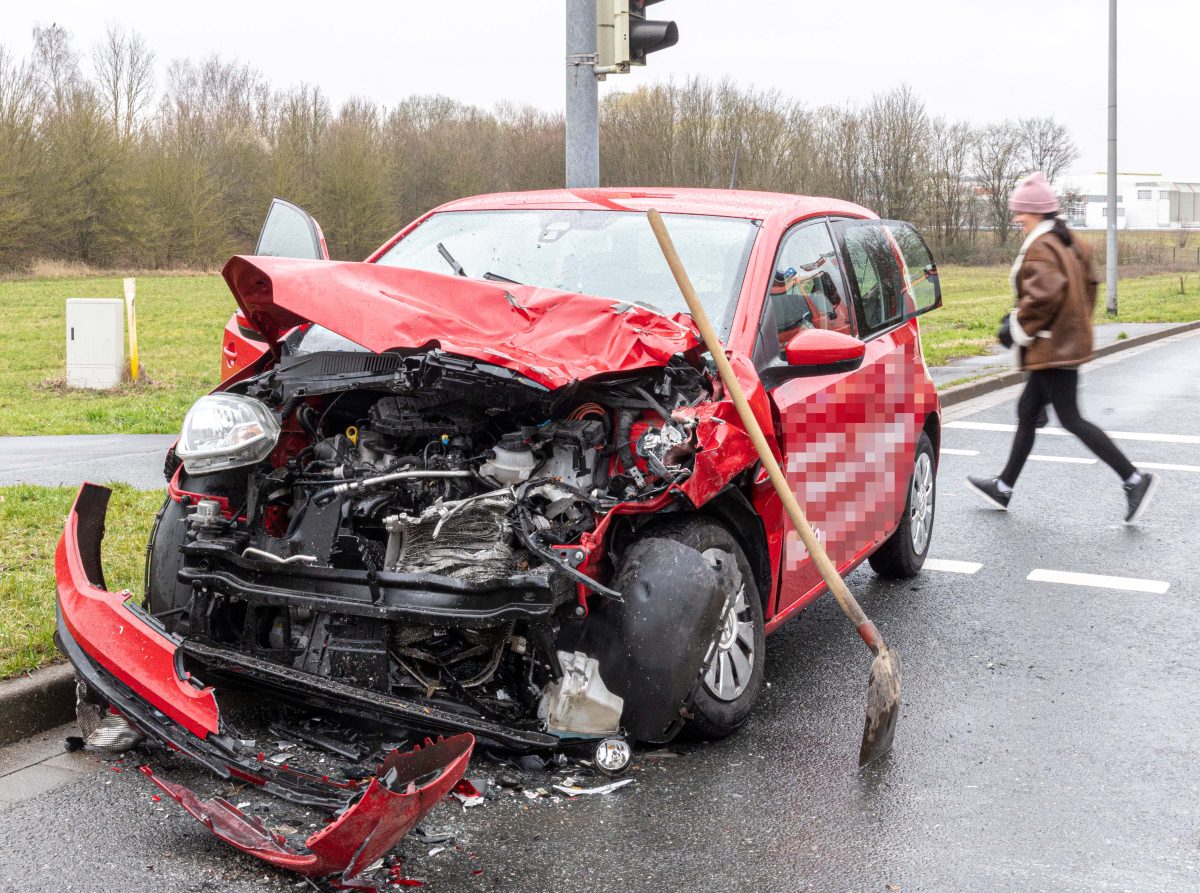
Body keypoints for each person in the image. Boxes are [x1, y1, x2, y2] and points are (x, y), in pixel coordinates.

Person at [966, 172, 1159, 524]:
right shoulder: (1071, 241)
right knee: (1028, 410)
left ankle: (1133, 479)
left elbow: (1043, 297)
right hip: (1060, 345)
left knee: (1071, 418)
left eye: (1020, 213)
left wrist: (1017, 328)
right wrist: (1076, 323)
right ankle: (1004, 486)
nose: (1017, 219)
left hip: (1053, 349)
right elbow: (1090, 287)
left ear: (1036, 213)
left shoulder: (1042, 247)